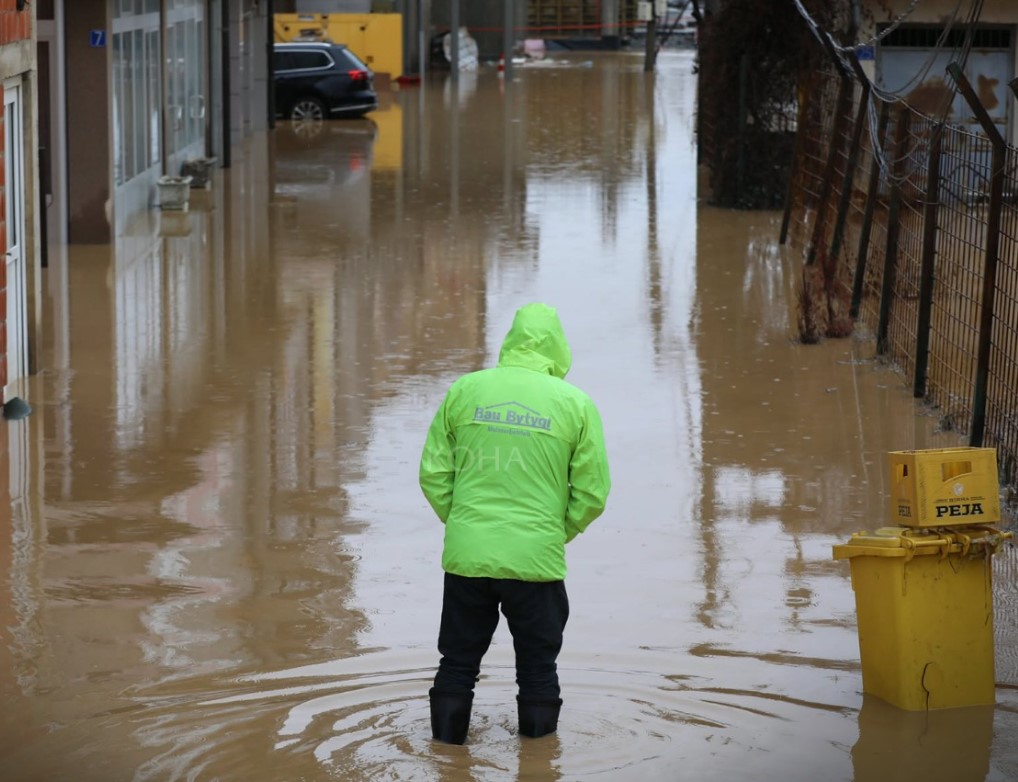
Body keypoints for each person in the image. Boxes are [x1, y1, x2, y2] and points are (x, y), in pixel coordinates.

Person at [419, 302, 611, 745]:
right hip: (536, 561)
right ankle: (539, 766)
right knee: (539, 668)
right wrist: (552, 532)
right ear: (558, 348)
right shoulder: (575, 404)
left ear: (509, 341)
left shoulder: (465, 391)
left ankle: (446, 757)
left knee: (457, 664)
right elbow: (593, 492)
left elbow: (433, 473)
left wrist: (467, 524)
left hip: (468, 558)